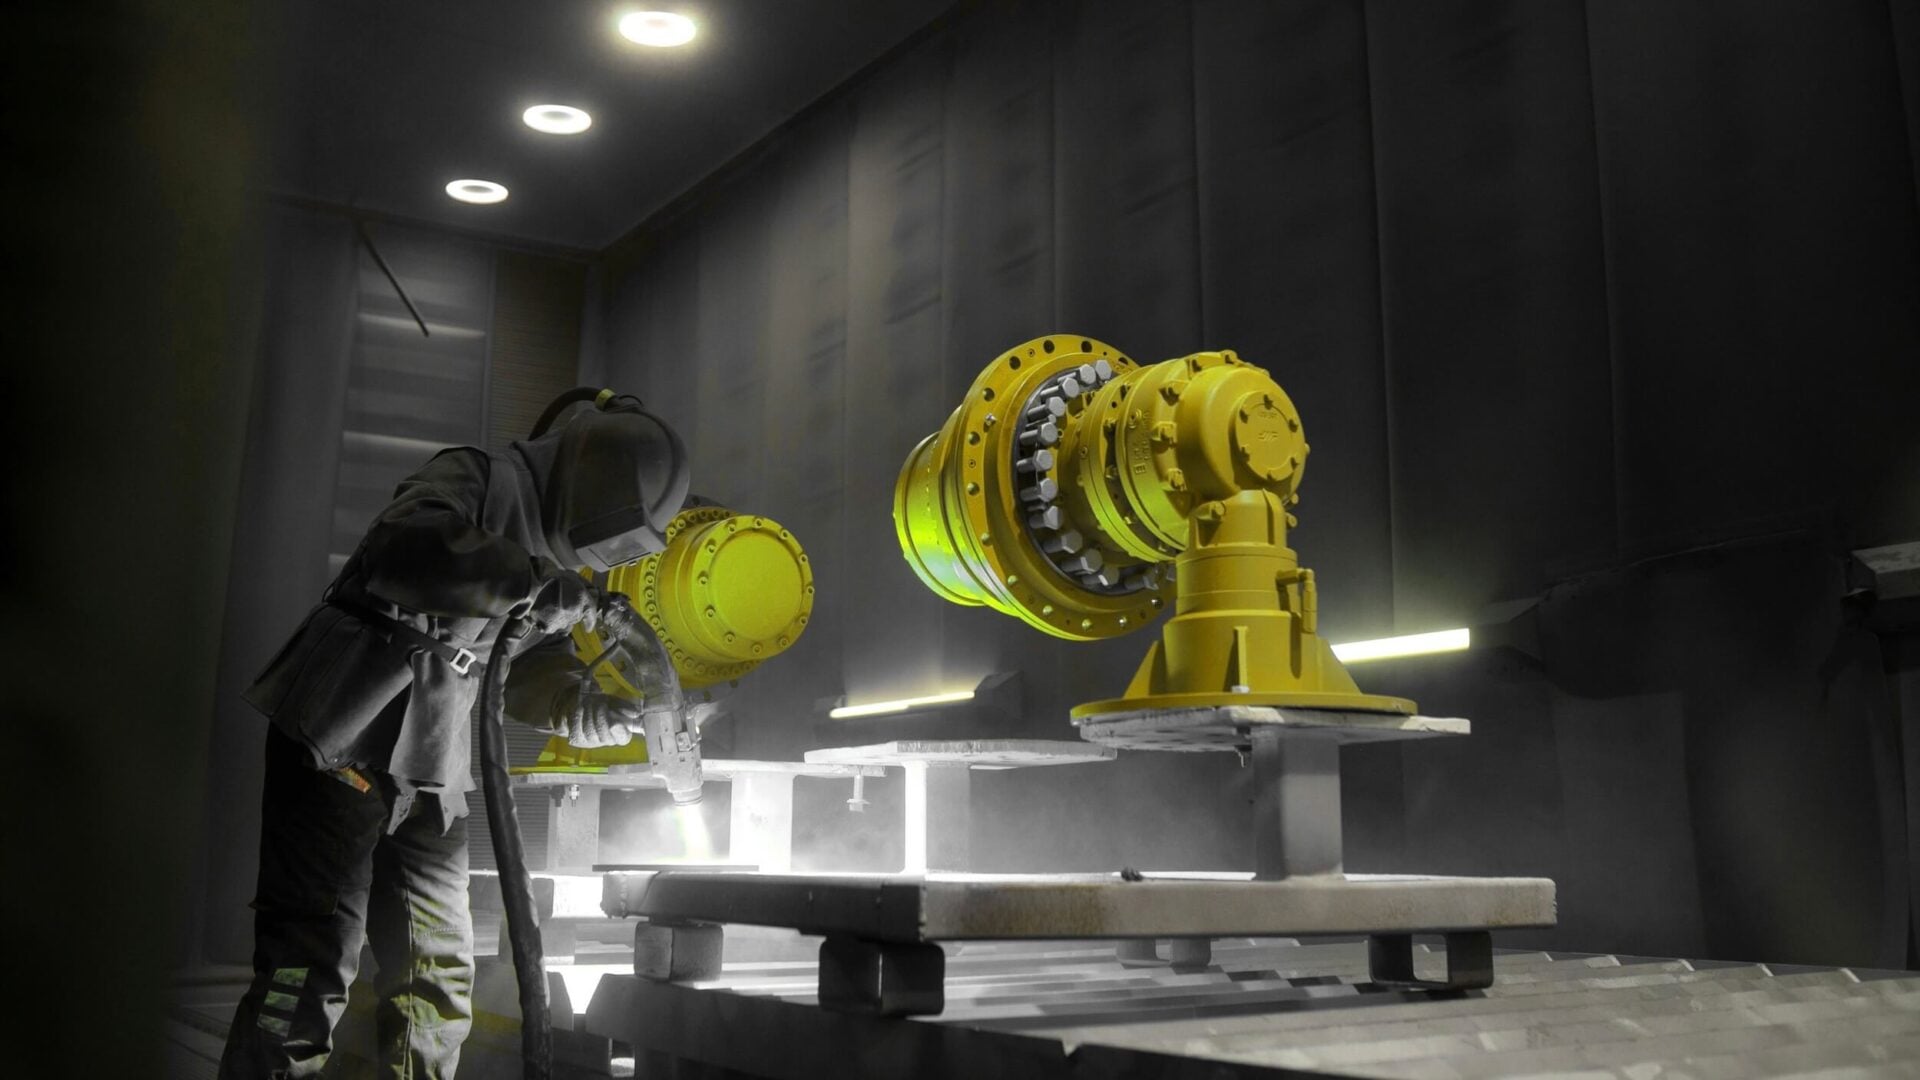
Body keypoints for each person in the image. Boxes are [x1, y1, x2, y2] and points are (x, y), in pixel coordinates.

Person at [218, 389, 689, 1079]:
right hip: (342, 738)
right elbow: (403, 547)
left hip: (431, 773)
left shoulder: (554, 559)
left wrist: (581, 706)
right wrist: (532, 583)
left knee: (437, 980)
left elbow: (519, 666)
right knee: (305, 972)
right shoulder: (475, 479)